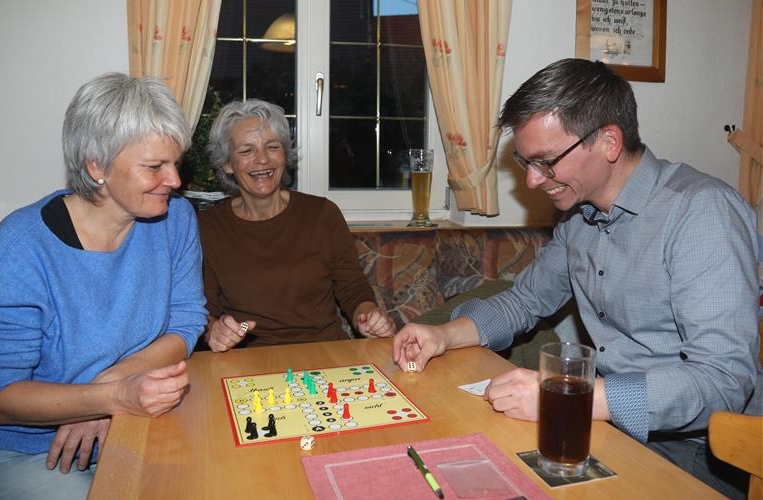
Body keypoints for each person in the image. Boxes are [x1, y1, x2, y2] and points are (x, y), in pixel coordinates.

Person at [392, 58, 761, 498]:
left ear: (607, 141)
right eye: (525, 162)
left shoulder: (702, 213)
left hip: (702, 455)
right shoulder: (579, 218)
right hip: (609, 426)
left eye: (545, 162)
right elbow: (523, 302)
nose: (531, 180)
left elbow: (722, 381)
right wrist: (444, 336)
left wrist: (570, 398)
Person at [0, 73, 207, 499]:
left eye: (175, 163)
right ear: (97, 167)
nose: (173, 180)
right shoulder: (19, 251)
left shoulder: (176, 221)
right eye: (154, 167)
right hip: (15, 450)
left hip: (130, 424)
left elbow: (185, 323)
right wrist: (111, 398)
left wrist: (109, 395)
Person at [198, 99, 395, 351]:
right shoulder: (209, 227)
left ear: (285, 156)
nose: (262, 159)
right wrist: (214, 330)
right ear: (226, 164)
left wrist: (368, 317)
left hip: (325, 353)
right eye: (246, 150)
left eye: (272, 146)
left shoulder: (322, 214)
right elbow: (203, 311)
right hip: (247, 364)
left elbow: (352, 288)